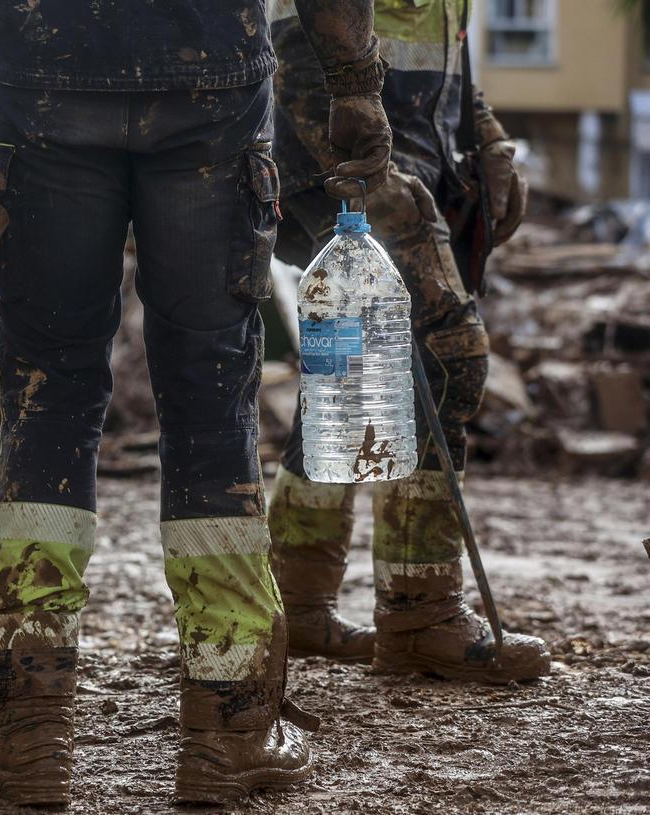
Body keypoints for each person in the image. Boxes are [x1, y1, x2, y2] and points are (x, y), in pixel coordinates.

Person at [0, 0, 392, 805]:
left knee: (47, 393)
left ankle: (27, 725)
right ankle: (227, 723)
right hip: (210, 87)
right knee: (211, 392)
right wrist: (355, 84)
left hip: (46, 85)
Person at [265, 0, 550, 682]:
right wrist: (357, 162)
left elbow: (439, 49)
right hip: (341, 133)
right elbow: (308, 35)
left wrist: (484, 134)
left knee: (359, 369)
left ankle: (295, 600)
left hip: (409, 144)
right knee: (448, 355)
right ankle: (422, 614)